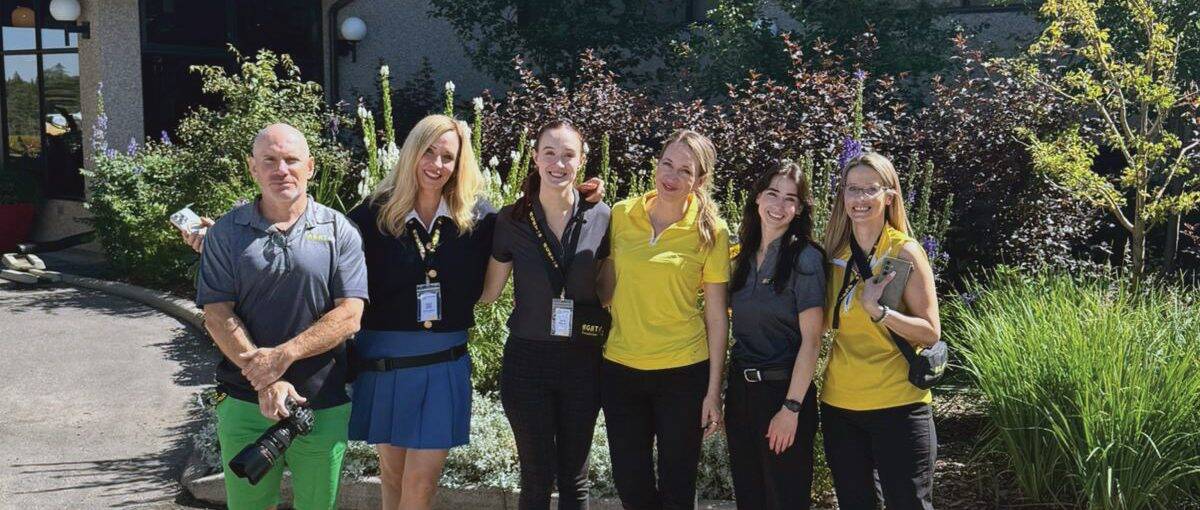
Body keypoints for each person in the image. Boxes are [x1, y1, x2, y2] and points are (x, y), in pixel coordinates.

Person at [195, 123, 369, 510]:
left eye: (291, 160)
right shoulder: (226, 233)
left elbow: (350, 315)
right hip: (244, 402)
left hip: (321, 403)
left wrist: (282, 356)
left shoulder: (340, 231)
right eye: (269, 161)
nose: (281, 170)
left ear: (309, 166)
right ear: (252, 168)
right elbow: (216, 314)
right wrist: (266, 382)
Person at [346, 114, 495, 510]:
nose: (436, 164)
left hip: (443, 365)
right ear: (411, 152)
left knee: (420, 486)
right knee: (392, 479)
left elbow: (533, 225)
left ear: (459, 163)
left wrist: (585, 201)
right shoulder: (369, 216)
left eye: (447, 156)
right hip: (383, 364)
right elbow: (316, 247)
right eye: (428, 152)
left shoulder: (479, 219)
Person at [480, 119, 611, 510]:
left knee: (576, 480)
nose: (559, 163)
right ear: (535, 158)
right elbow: (489, 293)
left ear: (582, 160)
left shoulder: (602, 215)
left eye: (569, 154)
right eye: (549, 153)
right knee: (536, 480)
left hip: (582, 362)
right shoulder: (512, 219)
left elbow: (608, 291)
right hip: (527, 362)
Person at [598, 129, 730, 510]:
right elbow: (602, 282)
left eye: (685, 171)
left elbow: (717, 317)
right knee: (631, 482)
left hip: (683, 373)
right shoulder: (622, 214)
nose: (671, 177)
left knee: (677, 484)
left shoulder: (711, 232)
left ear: (700, 181)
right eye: (667, 164)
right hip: (621, 368)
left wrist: (712, 390)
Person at [820, 152, 941, 510]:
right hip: (840, 407)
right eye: (851, 189)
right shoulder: (833, 252)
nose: (858, 199)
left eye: (868, 190)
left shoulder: (904, 251)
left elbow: (930, 332)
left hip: (898, 407)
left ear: (889, 196)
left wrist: (880, 311)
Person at [725, 161, 826, 509]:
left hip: (783, 393)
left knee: (785, 500)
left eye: (790, 199)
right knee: (749, 499)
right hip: (740, 393)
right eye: (772, 194)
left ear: (799, 209)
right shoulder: (741, 256)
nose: (779, 206)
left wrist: (791, 408)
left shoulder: (805, 259)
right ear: (757, 199)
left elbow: (812, 342)